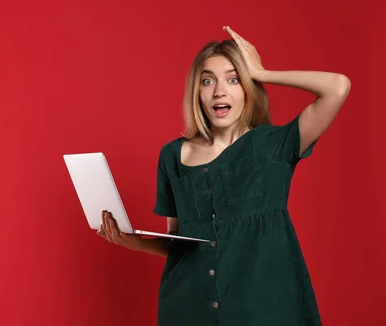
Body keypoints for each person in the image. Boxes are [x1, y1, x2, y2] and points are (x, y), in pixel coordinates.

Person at [97, 26, 350, 326]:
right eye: (208, 81)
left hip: (265, 310)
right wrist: (134, 242)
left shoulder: (273, 145)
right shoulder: (173, 156)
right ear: (198, 91)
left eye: (233, 79)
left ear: (248, 87)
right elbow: (181, 243)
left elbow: (338, 87)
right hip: (188, 310)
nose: (219, 90)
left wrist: (262, 72)